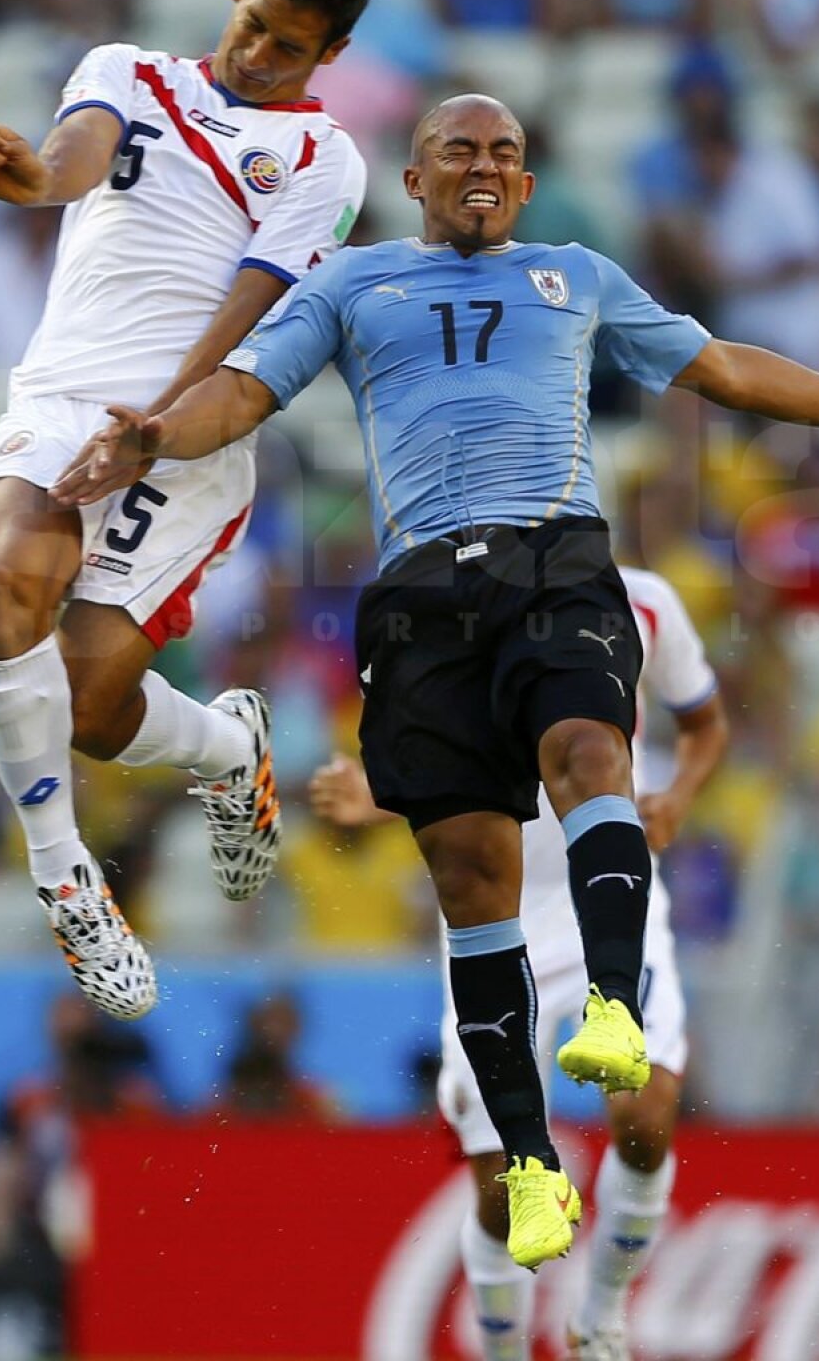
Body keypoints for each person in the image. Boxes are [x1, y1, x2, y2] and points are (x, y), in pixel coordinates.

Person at [53, 92, 819, 1272]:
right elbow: (245, 393)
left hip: (556, 552)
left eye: (505, 153)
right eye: (458, 150)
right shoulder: (350, 285)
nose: (483, 167)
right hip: (424, 595)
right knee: (472, 878)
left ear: (527, 185)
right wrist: (157, 434)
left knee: (593, 753)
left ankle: (613, 1007)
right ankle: (532, 1164)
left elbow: (726, 367)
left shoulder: (576, 273)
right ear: (418, 177)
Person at [0, 0, 368, 1022]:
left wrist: (155, 429)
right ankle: (67, 880)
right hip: (55, 402)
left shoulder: (323, 158)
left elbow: (254, 307)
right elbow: (77, 154)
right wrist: (37, 179)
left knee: (92, 710)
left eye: (292, 47)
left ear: (332, 51)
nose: (261, 52)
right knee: (2, 590)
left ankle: (232, 749)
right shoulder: (128, 71)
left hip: (183, 439)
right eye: (257, 24)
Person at [309, 563, 729, 1361]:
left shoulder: (638, 602)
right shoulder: (436, 607)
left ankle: (600, 1317)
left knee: (646, 1118)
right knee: (504, 1192)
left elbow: (705, 722)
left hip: (604, 903)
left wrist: (678, 797)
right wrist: (378, 794)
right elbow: (415, 754)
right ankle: (503, 1350)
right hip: (494, 917)